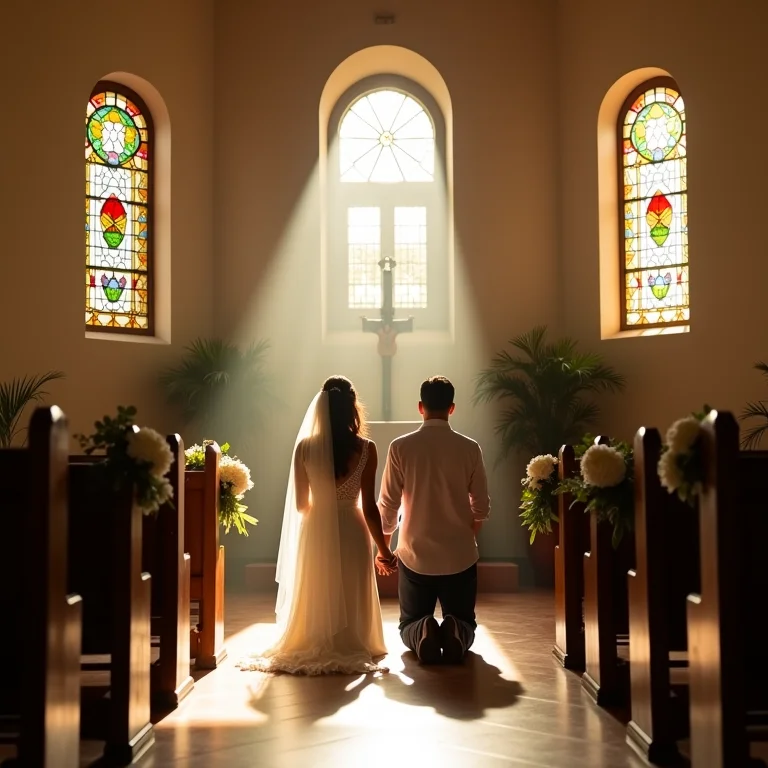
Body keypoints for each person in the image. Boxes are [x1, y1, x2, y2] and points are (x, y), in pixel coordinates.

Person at [239, 376, 397, 675]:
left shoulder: (304, 448)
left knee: (319, 583)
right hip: (352, 527)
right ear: (353, 407)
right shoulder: (367, 449)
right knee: (351, 583)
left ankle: (317, 636)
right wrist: (384, 549)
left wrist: (323, 511)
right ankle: (355, 640)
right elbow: (368, 505)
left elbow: (301, 504)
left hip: (315, 528)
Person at [377, 376, 490, 664]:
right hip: (459, 557)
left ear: (420, 407)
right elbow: (481, 506)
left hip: (416, 555)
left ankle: (422, 628)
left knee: (407, 624)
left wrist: (384, 548)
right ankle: (454, 627)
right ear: (451, 408)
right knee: (467, 624)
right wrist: (469, 537)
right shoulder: (470, 448)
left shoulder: (401, 447)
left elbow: (388, 504)